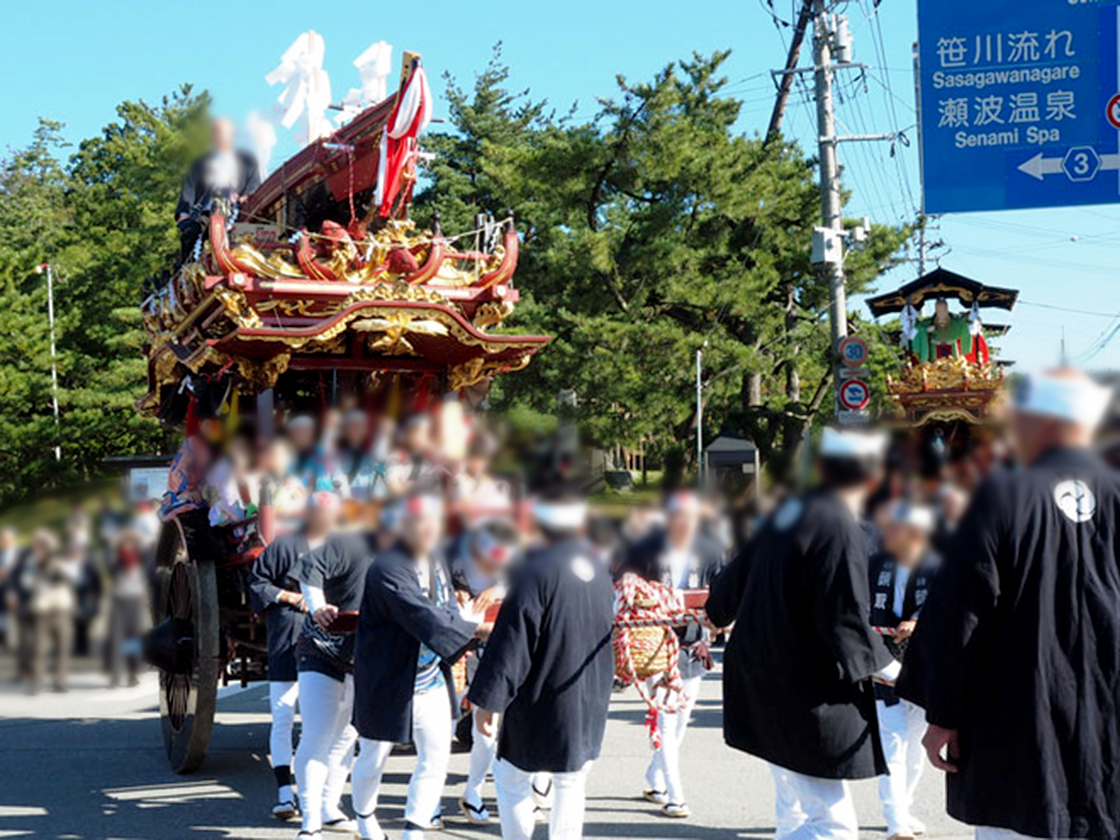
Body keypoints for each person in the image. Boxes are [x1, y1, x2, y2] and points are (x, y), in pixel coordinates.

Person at [897, 370, 1120, 840]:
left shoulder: (999, 492)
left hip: (1016, 719)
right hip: (1107, 715)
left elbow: (963, 611)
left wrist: (943, 714)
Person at [706, 427, 897, 840]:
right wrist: (888, 666)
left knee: (796, 811)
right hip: (805, 690)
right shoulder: (836, 523)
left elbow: (722, 594)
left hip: (762, 682)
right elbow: (844, 614)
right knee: (833, 825)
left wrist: (715, 613)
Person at [468, 486, 616, 840]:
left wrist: (489, 701)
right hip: (588, 690)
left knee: (511, 776)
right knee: (571, 780)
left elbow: (513, 640)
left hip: (544, 694)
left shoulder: (535, 569)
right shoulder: (596, 567)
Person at [350, 492, 485, 840]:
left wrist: (464, 620)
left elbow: (449, 608)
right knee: (374, 755)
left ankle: (415, 827)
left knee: (437, 754)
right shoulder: (387, 567)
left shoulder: (436, 559)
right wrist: (473, 629)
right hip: (388, 675)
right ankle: (365, 818)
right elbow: (422, 615)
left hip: (429, 676)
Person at [622, 489, 723, 818]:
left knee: (681, 722)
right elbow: (623, 578)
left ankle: (655, 777)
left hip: (693, 646)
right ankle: (676, 795)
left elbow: (720, 589)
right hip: (656, 644)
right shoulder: (647, 547)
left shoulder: (707, 550)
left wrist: (719, 622)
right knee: (666, 721)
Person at [291, 491, 371, 838]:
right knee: (318, 734)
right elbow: (311, 570)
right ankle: (310, 823)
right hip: (322, 646)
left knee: (347, 736)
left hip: (363, 654)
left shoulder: (408, 555)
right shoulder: (351, 544)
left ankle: (329, 806)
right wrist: (317, 604)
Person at [249, 498, 334, 821]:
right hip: (288, 637)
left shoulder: (339, 548)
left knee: (321, 723)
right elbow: (257, 582)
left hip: (329, 643)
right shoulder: (284, 546)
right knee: (283, 714)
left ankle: (320, 797)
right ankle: (284, 792)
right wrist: (289, 596)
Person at [868, 502, 940, 840]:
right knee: (892, 745)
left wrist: (920, 622)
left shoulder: (938, 567)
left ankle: (904, 807)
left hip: (923, 669)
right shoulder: (876, 565)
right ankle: (896, 819)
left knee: (916, 751)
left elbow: (949, 610)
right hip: (885, 667)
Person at [447, 516, 520, 825]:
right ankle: (444, 797)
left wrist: (497, 588)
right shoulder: (452, 551)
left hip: (498, 641)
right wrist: (459, 589)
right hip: (456, 640)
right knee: (446, 725)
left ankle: (473, 790)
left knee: (489, 727)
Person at [176, 117, 260, 263]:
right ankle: (187, 267)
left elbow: (254, 185)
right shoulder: (200, 163)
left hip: (235, 212)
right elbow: (189, 188)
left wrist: (245, 197)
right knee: (192, 232)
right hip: (205, 211)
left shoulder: (247, 161)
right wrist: (184, 212)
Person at [107, 530, 149, 688]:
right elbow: (111, 569)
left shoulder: (141, 559)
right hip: (119, 599)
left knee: (133, 639)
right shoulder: (116, 559)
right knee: (117, 637)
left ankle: (132, 674)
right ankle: (115, 675)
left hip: (135, 599)